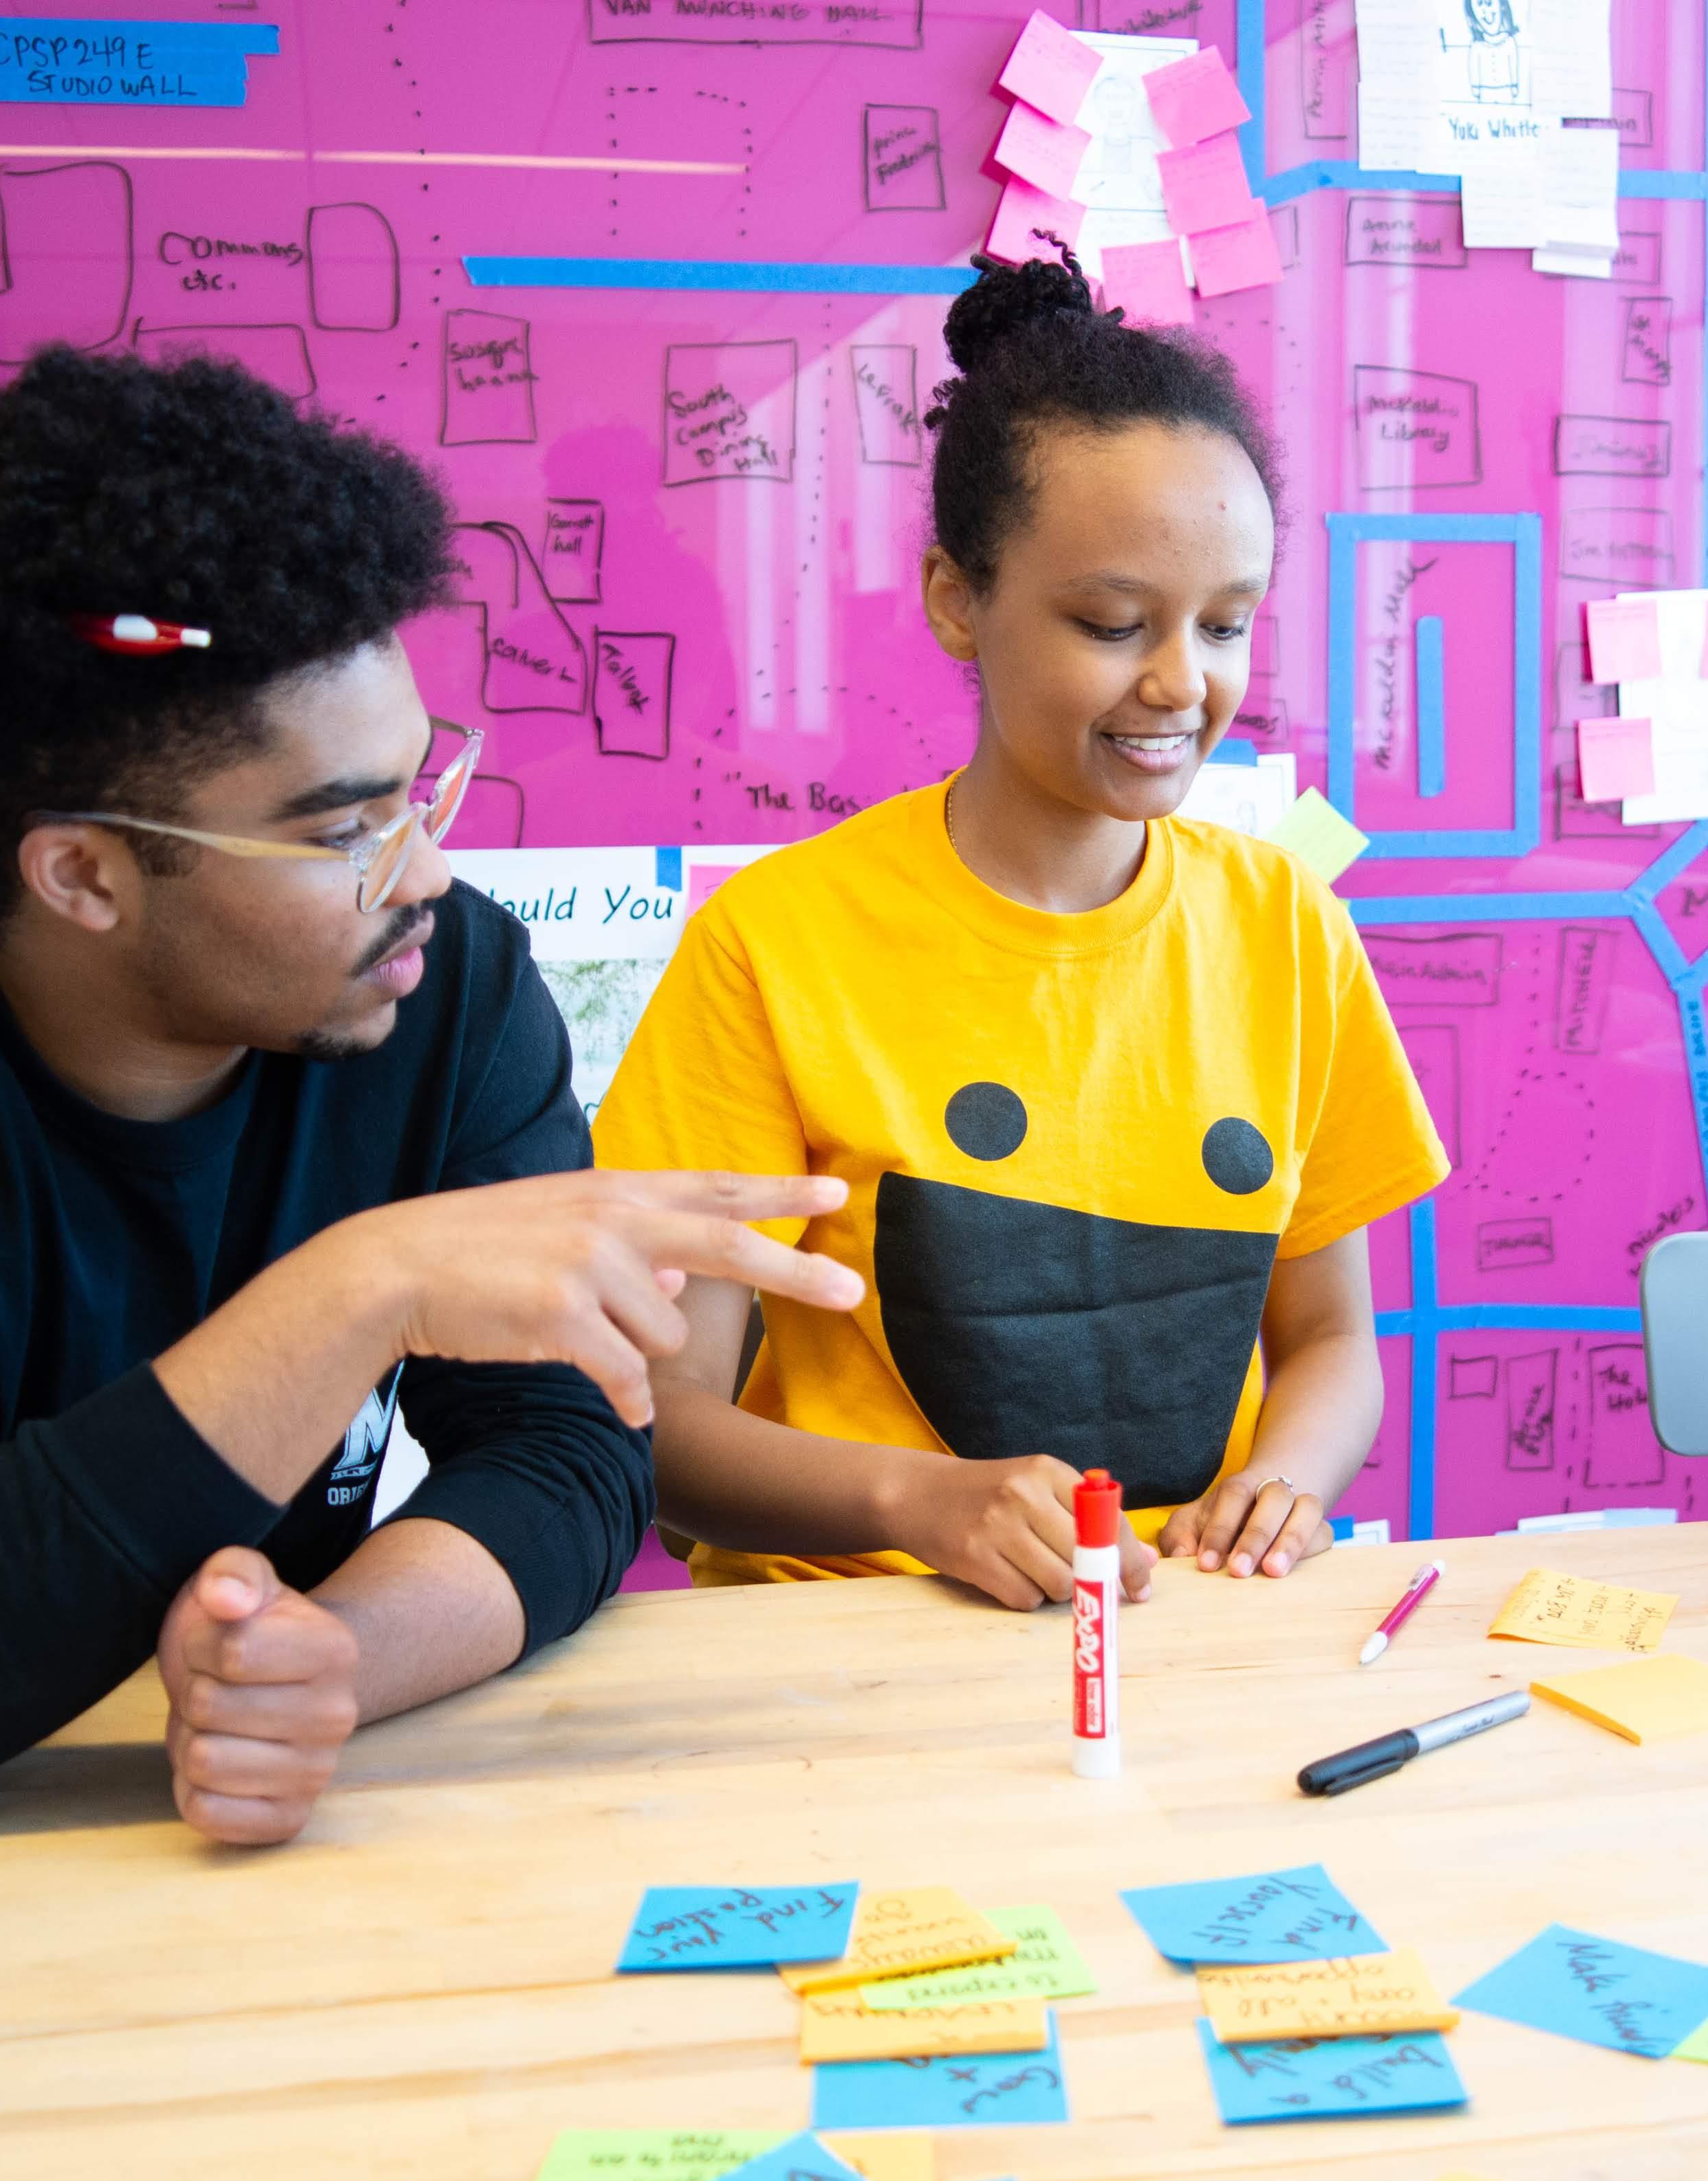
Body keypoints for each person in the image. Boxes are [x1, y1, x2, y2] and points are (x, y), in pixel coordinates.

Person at [0, 349, 858, 1841]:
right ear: (83, 871)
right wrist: (360, 1286)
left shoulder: (444, 991)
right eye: (345, 830)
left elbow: (573, 1451)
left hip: (241, 1824)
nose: (428, 877)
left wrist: (339, 1660)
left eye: (418, 790)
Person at [596, 249, 1448, 1603]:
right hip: (850, 1645)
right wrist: (919, 1500)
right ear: (956, 598)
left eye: (1227, 625)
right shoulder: (774, 941)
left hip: (1177, 1630)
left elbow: (1334, 1336)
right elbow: (659, 1428)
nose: (1182, 682)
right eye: (1114, 623)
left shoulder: (1285, 922)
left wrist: (1278, 1487)